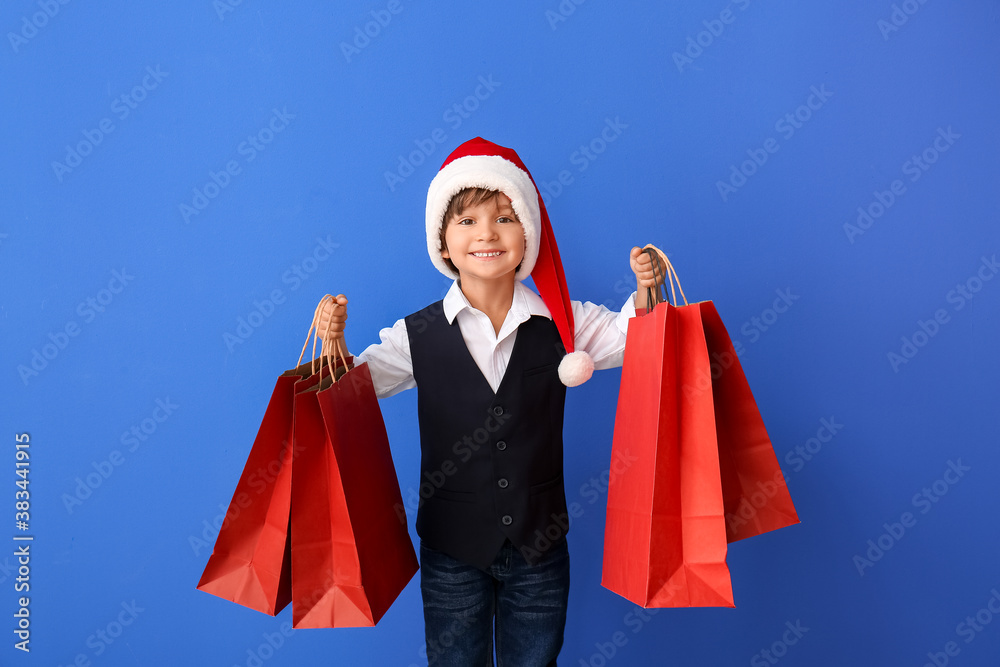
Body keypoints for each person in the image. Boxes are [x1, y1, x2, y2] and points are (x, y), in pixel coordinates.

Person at [316, 137, 665, 666]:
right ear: (442, 241)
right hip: (452, 551)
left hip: (540, 547)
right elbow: (352, 387)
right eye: (467, 221)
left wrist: (645, 292)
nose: (486, 234)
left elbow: (636, 336)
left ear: (528, 233)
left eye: (503, 218)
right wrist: (333, 342)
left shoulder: (562, 322)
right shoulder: (419, 334)